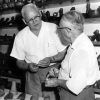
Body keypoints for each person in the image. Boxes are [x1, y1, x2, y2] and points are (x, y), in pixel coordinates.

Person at [10, 3, 67, 100]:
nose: (35, 21)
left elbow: (63, 52)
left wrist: (51, 59)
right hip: (32, 76)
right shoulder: (20, 37)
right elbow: (19, 62)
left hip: (53, 72)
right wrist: (28, 66)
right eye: (30, 20)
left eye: (36, 17)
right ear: (24, 21)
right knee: (32, 98)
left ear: (40, 14)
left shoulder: (53, 28)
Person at [45, 10, 100, 100]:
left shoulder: (80, 50)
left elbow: (75, 86)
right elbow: (75, 71)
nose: (58, 32)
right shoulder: (77, 43)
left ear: (68, 30)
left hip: (76, 96)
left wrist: (57, 82)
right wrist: (60, 73)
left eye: (60, 29)